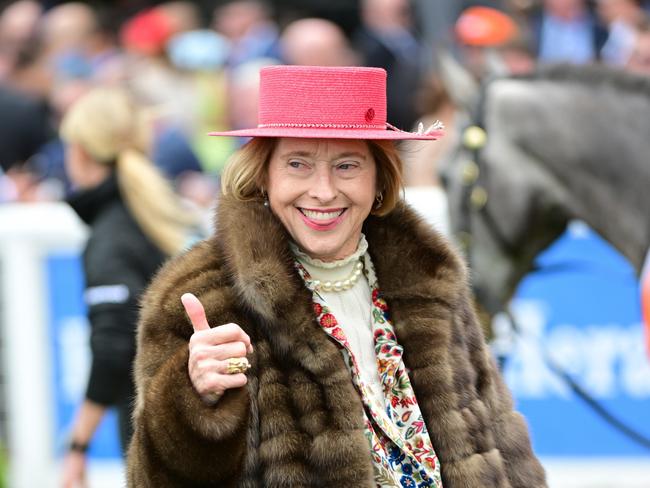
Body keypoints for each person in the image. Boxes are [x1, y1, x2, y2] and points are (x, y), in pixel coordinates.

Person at [126, 65, 547, 487]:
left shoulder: (430, 277)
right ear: (263, 176)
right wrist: (191, 401)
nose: (324, 191)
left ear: (379, 179)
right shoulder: (201, 295)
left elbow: (502, 441)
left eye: (347, 165)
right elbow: (154, 479)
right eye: (298, 164)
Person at [59, 86, 197, 487]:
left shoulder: (112, 237)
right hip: (201, 424)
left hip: (163, 437)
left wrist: (78, 445)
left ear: (80, 152)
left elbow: (114, 347)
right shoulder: (168, 218)